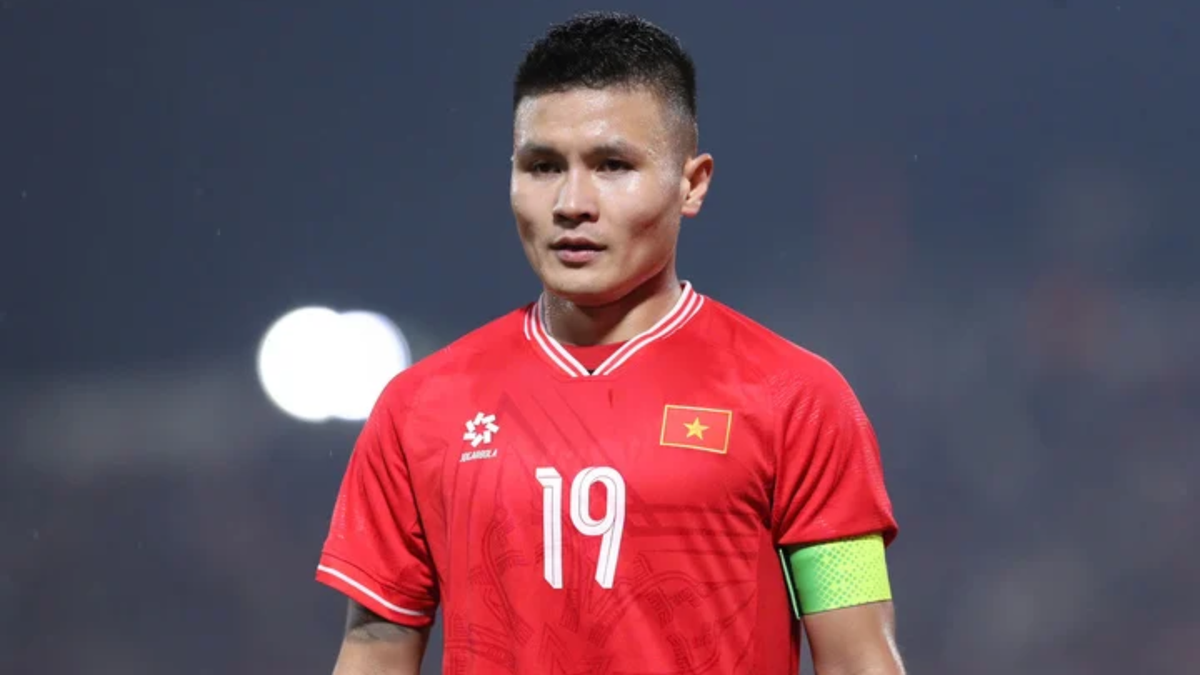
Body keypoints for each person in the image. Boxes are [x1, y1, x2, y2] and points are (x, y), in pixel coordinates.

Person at [316, 11, 906, 674]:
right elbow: (374, 648)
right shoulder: (419, 408)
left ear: (692, 183)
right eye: (543, 166)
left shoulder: (800, 402)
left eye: (612, 165)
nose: (572, 202)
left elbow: (858, 660)